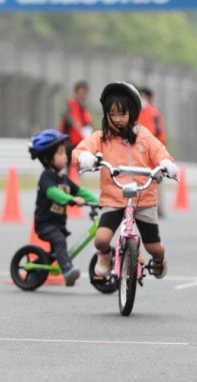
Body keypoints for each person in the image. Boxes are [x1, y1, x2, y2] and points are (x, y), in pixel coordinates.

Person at [73, 82, 178, 280]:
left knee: (153, 247)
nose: (117, 119)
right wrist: (84, 158)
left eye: (122, 113)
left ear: (133, 112)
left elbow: (159, 151)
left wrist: (166, 163)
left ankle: (159, 258)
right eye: (112, 114)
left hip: (143, 199)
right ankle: (105, 257)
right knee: (101, 239)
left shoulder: (144, 136)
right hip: (114, 198)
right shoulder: (102, 137)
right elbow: (80, 150)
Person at [28, 129, 100, 287]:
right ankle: (67, 271)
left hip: (58, 224)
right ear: (48, 158)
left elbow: (80, 191)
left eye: (64, 152)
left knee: (55, 252)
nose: (65, 156)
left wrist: (100, 201)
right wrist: (71, 199)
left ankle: (35, 271)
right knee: (60, 242)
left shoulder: (65, 178)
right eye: (60, 153)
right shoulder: (46, 177)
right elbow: (52, 193)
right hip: (45, 224)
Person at [137, 86, 167, 217]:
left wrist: (159, 148)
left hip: (153, 149)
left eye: (144, 96)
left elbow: (160, 132)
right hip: (138, 150)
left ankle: (158, 207)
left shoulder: (154, 113)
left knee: (156, 177)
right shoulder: (135, 111)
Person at [59, 80, 93, 168]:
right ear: (76, 92)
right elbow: (66, 115)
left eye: (84, 92)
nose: (82, 94)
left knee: (77, 164)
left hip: (79, 140)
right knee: (69, 163)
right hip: (69, 140)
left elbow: (87, 121)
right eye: (81, 92)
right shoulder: (70, 103)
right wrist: (74, 122)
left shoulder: (84, 106)